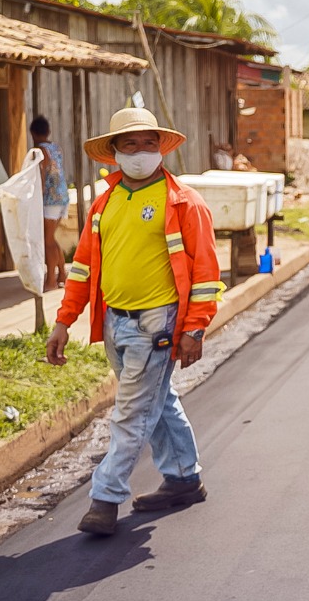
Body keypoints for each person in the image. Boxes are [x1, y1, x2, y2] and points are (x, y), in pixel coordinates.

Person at [46, 107, 225, 537]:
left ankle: (105, 498)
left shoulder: (183, 202)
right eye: (131, 144)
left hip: (158, 325)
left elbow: (205, 273)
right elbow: (83, 267)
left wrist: (194, 328)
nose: (141, 151)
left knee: (130, 413)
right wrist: (63, 321)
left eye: (149, 143)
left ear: (160, 149)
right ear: (114, 153)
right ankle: (183, 478)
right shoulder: (104, 204)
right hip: (114, 323)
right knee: (157, 402)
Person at [31, 115, 69, 290]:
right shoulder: (56, 147)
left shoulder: (39, 150)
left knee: (47, 241)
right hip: (62, 196)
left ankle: (51, 280)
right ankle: (61, 274)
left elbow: (42, 174)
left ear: (33, 134)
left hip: (50, 199)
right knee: (51, 238)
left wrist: (36, 195)